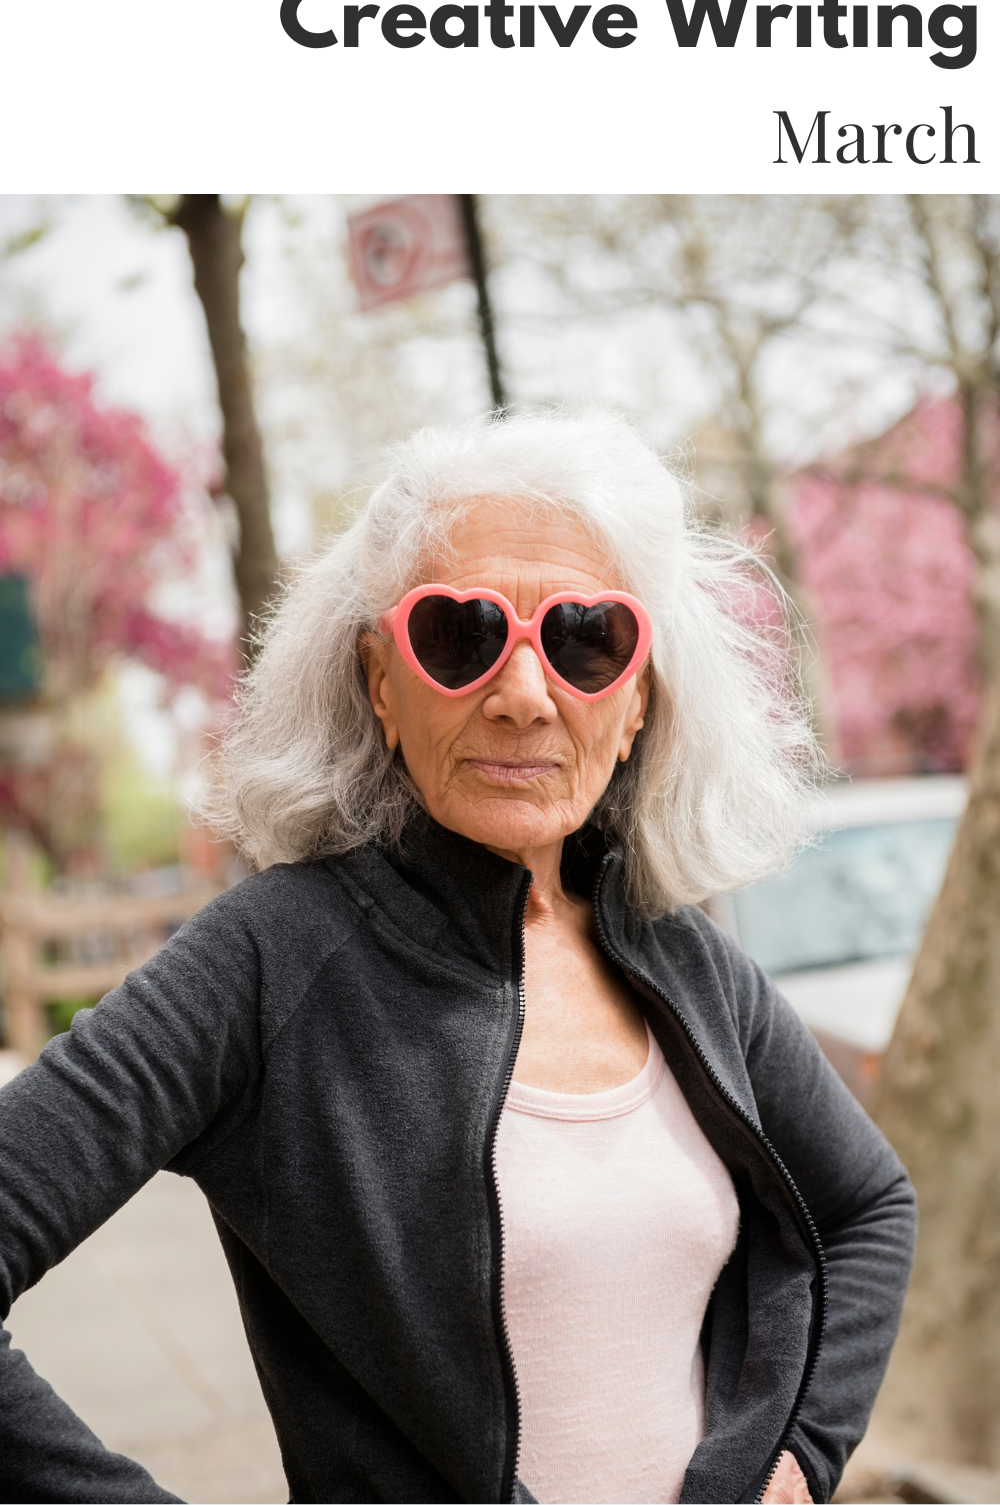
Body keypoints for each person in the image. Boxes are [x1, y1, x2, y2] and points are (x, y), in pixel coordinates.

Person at [0, 412, 915, 1505]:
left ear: (635, 708)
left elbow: (868, 1208)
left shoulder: (683, 959)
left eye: (585, 641)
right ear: (380, 684)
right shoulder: (269, 961)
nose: (525, 693)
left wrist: (799, 1459)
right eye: (460, 634)